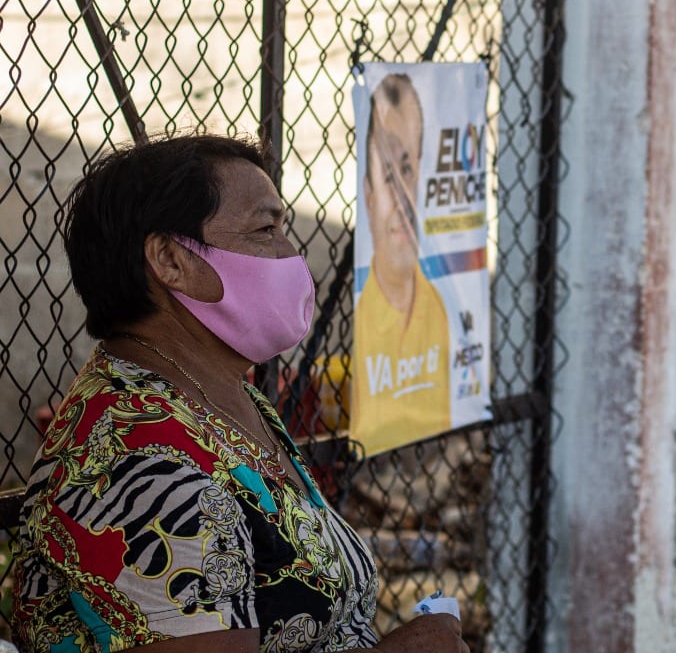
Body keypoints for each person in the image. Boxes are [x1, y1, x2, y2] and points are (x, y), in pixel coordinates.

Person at [12, 135, 467, 652]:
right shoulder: (138, 456)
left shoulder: (216, 395)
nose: (290, 255)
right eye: (265, 229)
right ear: (169, 259)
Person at [352, 74, 453, 450]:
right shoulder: (362, 319)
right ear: (368, 193)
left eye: (407, 170)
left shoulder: (439, 311)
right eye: (386, 173)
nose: (402, 201)